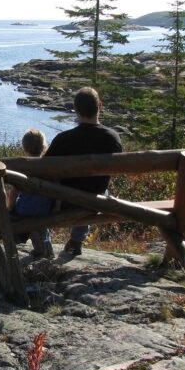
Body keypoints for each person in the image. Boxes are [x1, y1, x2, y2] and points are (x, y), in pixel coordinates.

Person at [45, 87, 122, 256]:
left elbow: (43, 170)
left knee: (60, 189)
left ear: (76, 109)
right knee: (92, 187)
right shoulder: (113, 138)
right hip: (98, 199)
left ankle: (43, 242)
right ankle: (76, 241)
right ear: (100, 106)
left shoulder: (63, 140)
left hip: (65, 200)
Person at [7, 129, 55, 259]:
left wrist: (9, 208)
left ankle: (17, 239)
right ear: (44, 147)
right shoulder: (50, 166)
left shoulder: (24, 167)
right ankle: (45, 249)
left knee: (17, 213)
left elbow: (13, 193)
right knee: (40, 223)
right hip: (45, 210)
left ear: (24, 147)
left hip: (24, 211)